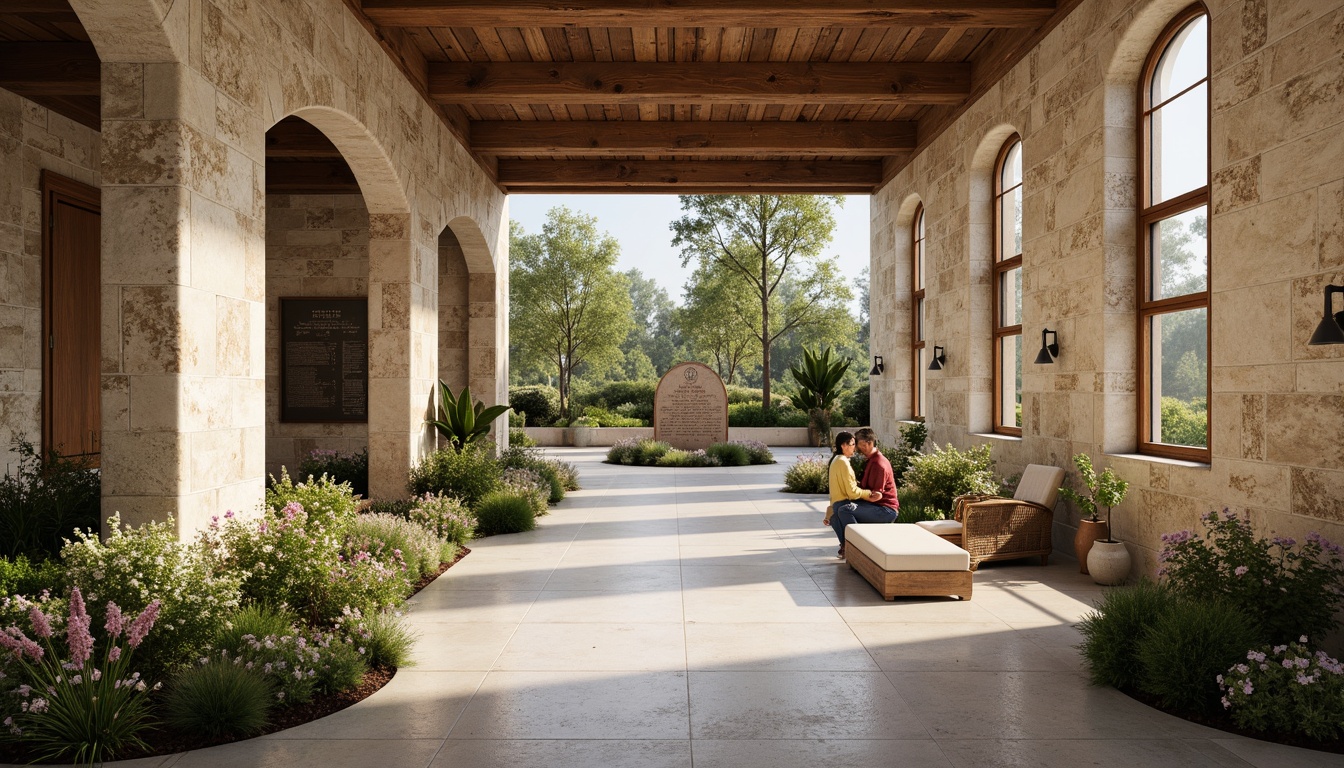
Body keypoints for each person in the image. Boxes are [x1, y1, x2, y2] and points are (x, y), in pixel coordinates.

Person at [826, 427, 899, 558]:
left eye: (858, 444)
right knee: (835, 512)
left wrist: (859, 493)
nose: (857, 449)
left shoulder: (878, 464)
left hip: (884, 510)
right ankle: (847, 546)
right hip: (874, 506)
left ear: (869, 443)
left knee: (845, 510)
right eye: (854, 445)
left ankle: (858, 549)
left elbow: (875, 495)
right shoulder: (870, 460)